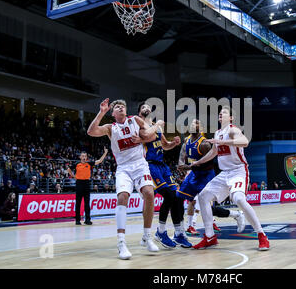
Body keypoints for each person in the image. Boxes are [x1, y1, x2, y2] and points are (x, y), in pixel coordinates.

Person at [87, 98, 161, 260]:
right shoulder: (110, 128)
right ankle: (121, 242)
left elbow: (153, 135)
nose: (120, 107)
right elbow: (91, 132)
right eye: (117, 107)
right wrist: (101, 112)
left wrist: (141, 139)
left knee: (149, 193)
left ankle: (146, 236)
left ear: (126, 111)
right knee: (122, 197)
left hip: (140, 165)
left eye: (122, 106)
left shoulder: (135, 120)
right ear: (113, 113)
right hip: (124, 168)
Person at [189, 107, 268, 250]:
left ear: (231, 118)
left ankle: (261, 235)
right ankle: (210, 237)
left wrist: (224, 142)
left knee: (238, 199)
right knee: (203, 197)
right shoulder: (217, 133)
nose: (221, 114)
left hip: (238, 171)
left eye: (224, 112)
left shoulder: (233, 130)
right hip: (224, 173)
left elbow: (245, 142)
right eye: (220, 112)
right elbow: (214, 152)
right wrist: (198, 162)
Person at [177, 119, 245, 237]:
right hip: (193, 173)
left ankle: (235, 214)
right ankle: (184, 229)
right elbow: (182, 156)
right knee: (178, 198)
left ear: (201, 129)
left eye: (196, 123)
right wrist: (182, 165)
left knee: (208, 207)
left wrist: (190, 166)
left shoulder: (204, 144)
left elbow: (208, 163)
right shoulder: (186, 141)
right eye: (192, 124)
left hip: (206, 175)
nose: (193, 125)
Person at [138, 103, 191, 249]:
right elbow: (145, 137)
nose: (147, 108)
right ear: (140, 111)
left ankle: (179, 233)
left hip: (162, 165)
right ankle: (160, 231)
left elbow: (164, 145)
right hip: (150, 165)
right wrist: (158, 125)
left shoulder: (157, 125)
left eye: (149, 106)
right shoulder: (139, 124)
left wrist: (173, 143)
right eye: (144, 107)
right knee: (168, 195)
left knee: (177, 196)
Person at [67, 148, 108, 226]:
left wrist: (105, 153)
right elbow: (68, 169)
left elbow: (99, 161)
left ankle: (87, 220)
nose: (84, 157)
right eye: (82, 156)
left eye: (85, 156)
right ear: (80, 157)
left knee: (87, 203)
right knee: (78, 203)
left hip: (86, 183)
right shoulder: (76, 164)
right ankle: (77, 220)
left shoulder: (89, 164)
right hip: (79, 183)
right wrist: (73, 176)